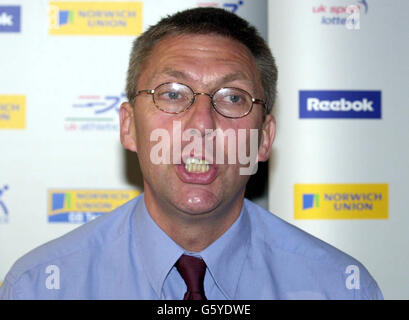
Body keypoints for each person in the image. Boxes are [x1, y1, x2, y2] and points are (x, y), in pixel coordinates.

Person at [0, 7, 383, 300]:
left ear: (264, 138)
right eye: (172, 94)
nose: (202, 124)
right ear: (129, 126)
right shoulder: (40, 286)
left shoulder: (340, 289)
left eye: (232, 98)